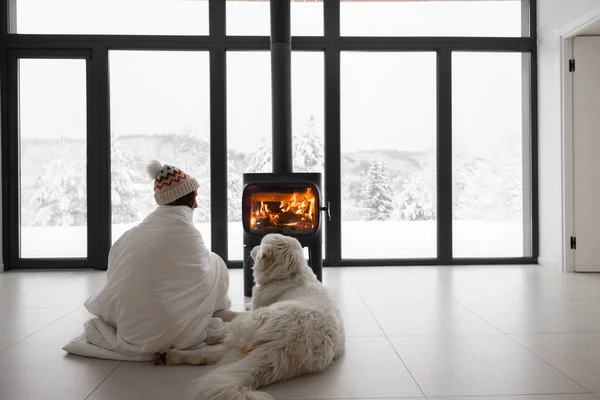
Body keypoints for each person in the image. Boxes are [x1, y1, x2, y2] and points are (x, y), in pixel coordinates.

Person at [63, 161, 232, 361]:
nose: (197, 204)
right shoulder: (188, 234)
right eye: (195, 198)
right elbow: (200, 276)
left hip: (131, 331)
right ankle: (201, 313)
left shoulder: (130, 235)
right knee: (216, 263)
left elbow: (116, 277)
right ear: (187, 199)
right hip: (180, 336)